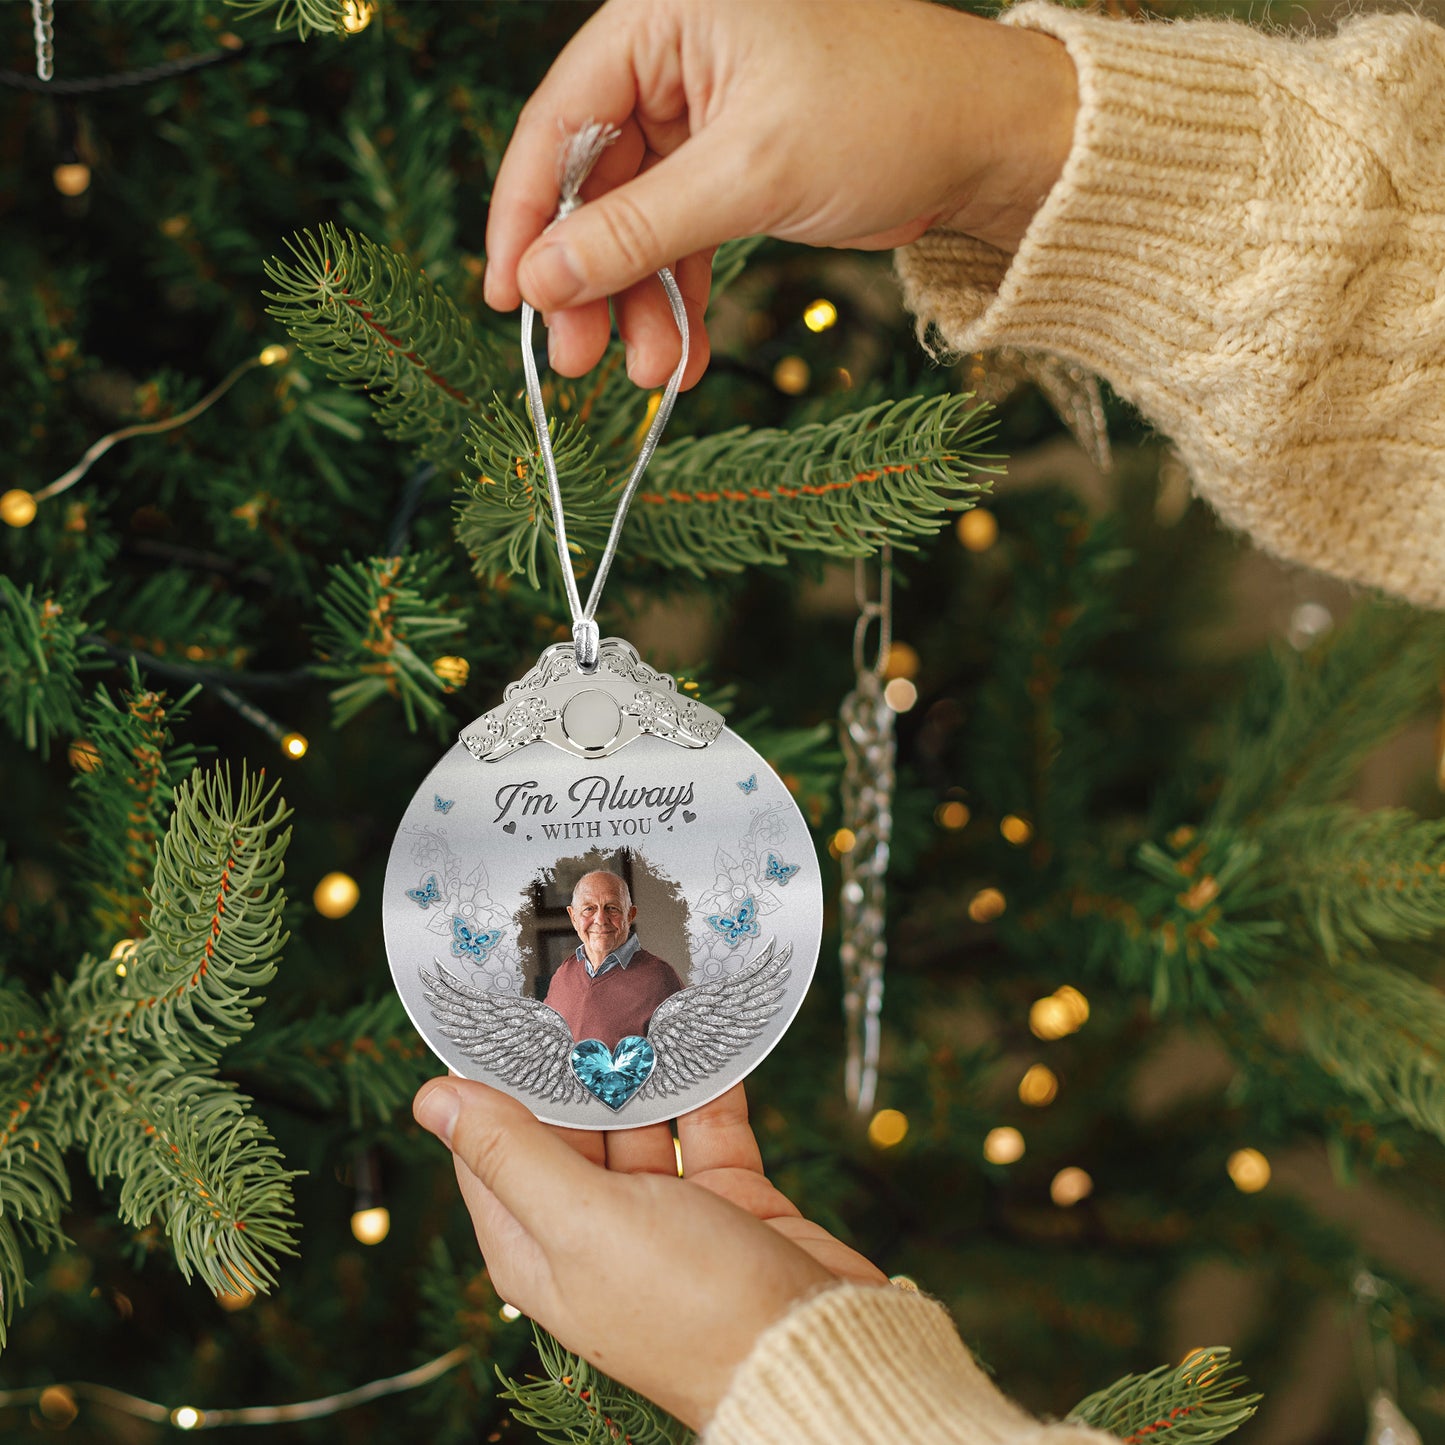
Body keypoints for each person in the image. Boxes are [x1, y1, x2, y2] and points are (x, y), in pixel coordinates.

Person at [416, 1, 1445, 1439]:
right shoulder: (576, 987)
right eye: (585, 908)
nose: (596, 923)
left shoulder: (661, 979)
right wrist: (1017, 134)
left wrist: (780, 1382)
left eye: (606, 904)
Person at [543, 869, 684, 1049]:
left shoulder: (661, 979)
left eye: (612, 908)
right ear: (573, 917)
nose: (600, 919)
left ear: (630, 915)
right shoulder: (563, 975)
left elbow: (688, 1062)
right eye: (589, 909)